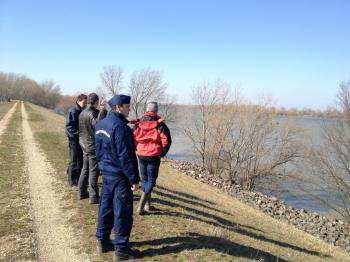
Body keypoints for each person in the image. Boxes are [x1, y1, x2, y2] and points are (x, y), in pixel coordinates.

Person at [95, 94, 140, 259]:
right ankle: (121, 249)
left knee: (105, 207)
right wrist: (134, 179)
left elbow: (97, 151)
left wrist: (102, 167)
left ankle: (103, 241)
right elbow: (125, 156)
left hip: (107, 173)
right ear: (118, 107)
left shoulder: (101, 124)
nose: (129, 109)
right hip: (120, 176)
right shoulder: (120, 127)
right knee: (122, 211)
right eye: (127, 106)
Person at [133, 101, 172, 215]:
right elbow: (166, 140)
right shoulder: (160, 125)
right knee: (151, 181)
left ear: (147, 110)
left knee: (145, 179)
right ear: (156, 111)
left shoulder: (138, 123)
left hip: (141, 154)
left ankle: (147, 205)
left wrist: (138, 148)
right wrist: (162, 153)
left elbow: (133, 137)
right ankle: (141, 206)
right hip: (153, 155)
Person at [77, 93, 106, 204]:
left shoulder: (82, 112)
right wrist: (103, 110)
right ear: (96, 102)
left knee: (85, 169)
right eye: (98, 102)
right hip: (91, 146)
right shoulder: (91, 113)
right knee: (93, 171)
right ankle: (93, 196)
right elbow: (98, 126)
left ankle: (81, 192)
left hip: (83, 144)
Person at [65, 94, 87, 187]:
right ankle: (72, 181)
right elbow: (69, 127)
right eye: (84, 102)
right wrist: (78, 134)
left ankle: (78, 179)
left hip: (81, 140)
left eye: (86, 102)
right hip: (74, 140)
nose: (85, 104)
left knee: (80, 160)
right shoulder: (73, 111)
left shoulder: (83, 111)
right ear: (78, 101)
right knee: (73, 160)